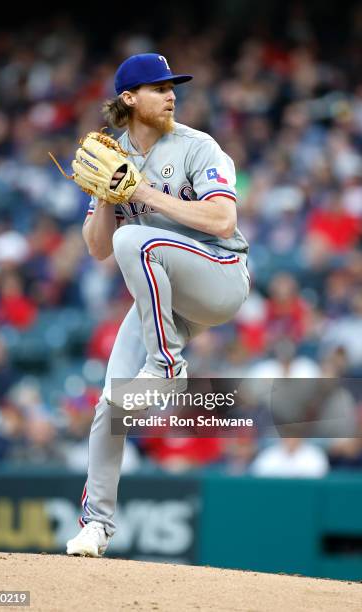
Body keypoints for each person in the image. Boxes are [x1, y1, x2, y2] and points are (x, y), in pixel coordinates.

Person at [66, 53, 250, 557]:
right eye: (158, 87)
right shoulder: (112, 152)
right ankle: (97, 524)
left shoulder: (196, 145)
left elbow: (222, 223)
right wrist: (106, 195)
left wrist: (144, 192)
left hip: (219, 276)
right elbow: (97, 247)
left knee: (137, 242)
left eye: (173, 86)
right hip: (164, 297)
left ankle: (166, 365)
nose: (171, 94)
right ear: (128, 98)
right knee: (112, 405)